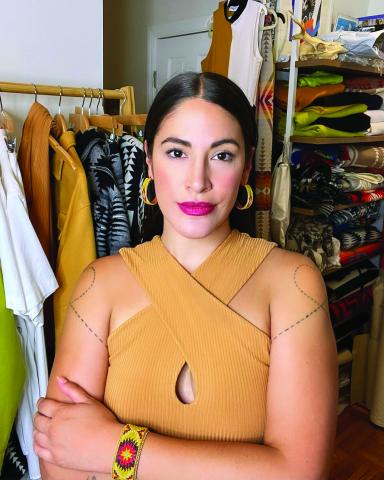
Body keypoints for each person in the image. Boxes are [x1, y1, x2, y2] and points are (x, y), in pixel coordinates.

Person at [33, 72, 338, 480]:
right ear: (149, 159)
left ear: (247, 166)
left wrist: (114, 447)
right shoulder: (99, 285)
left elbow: (298, 473)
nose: (198, 181)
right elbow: (58, 455)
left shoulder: (293, 285)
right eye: (177, 153)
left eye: (222, 155)